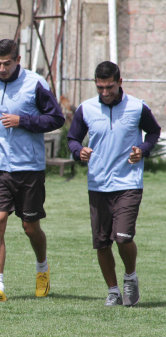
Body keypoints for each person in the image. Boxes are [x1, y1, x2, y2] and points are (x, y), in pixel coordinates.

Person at [0, 39, 65, 301]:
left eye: (7, 63)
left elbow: (56, 118)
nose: (1, 69)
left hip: (29, 167)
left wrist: (22, 121)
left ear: (18, 61)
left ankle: (42, 269)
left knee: (30, 227)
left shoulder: (35, 83)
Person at [67, 61, 161, 307]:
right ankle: (113, 291)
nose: (105, 93)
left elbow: (153, 133)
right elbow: (72, 139)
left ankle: (130, 276)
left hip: (128, 182)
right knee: (101, 243)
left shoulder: (137, 107)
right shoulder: (85, 109)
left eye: (109, 87)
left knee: (122, 237)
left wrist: (142, 149)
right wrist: (79, 151)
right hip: (97, 184)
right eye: (100, 88)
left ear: (120, 83)